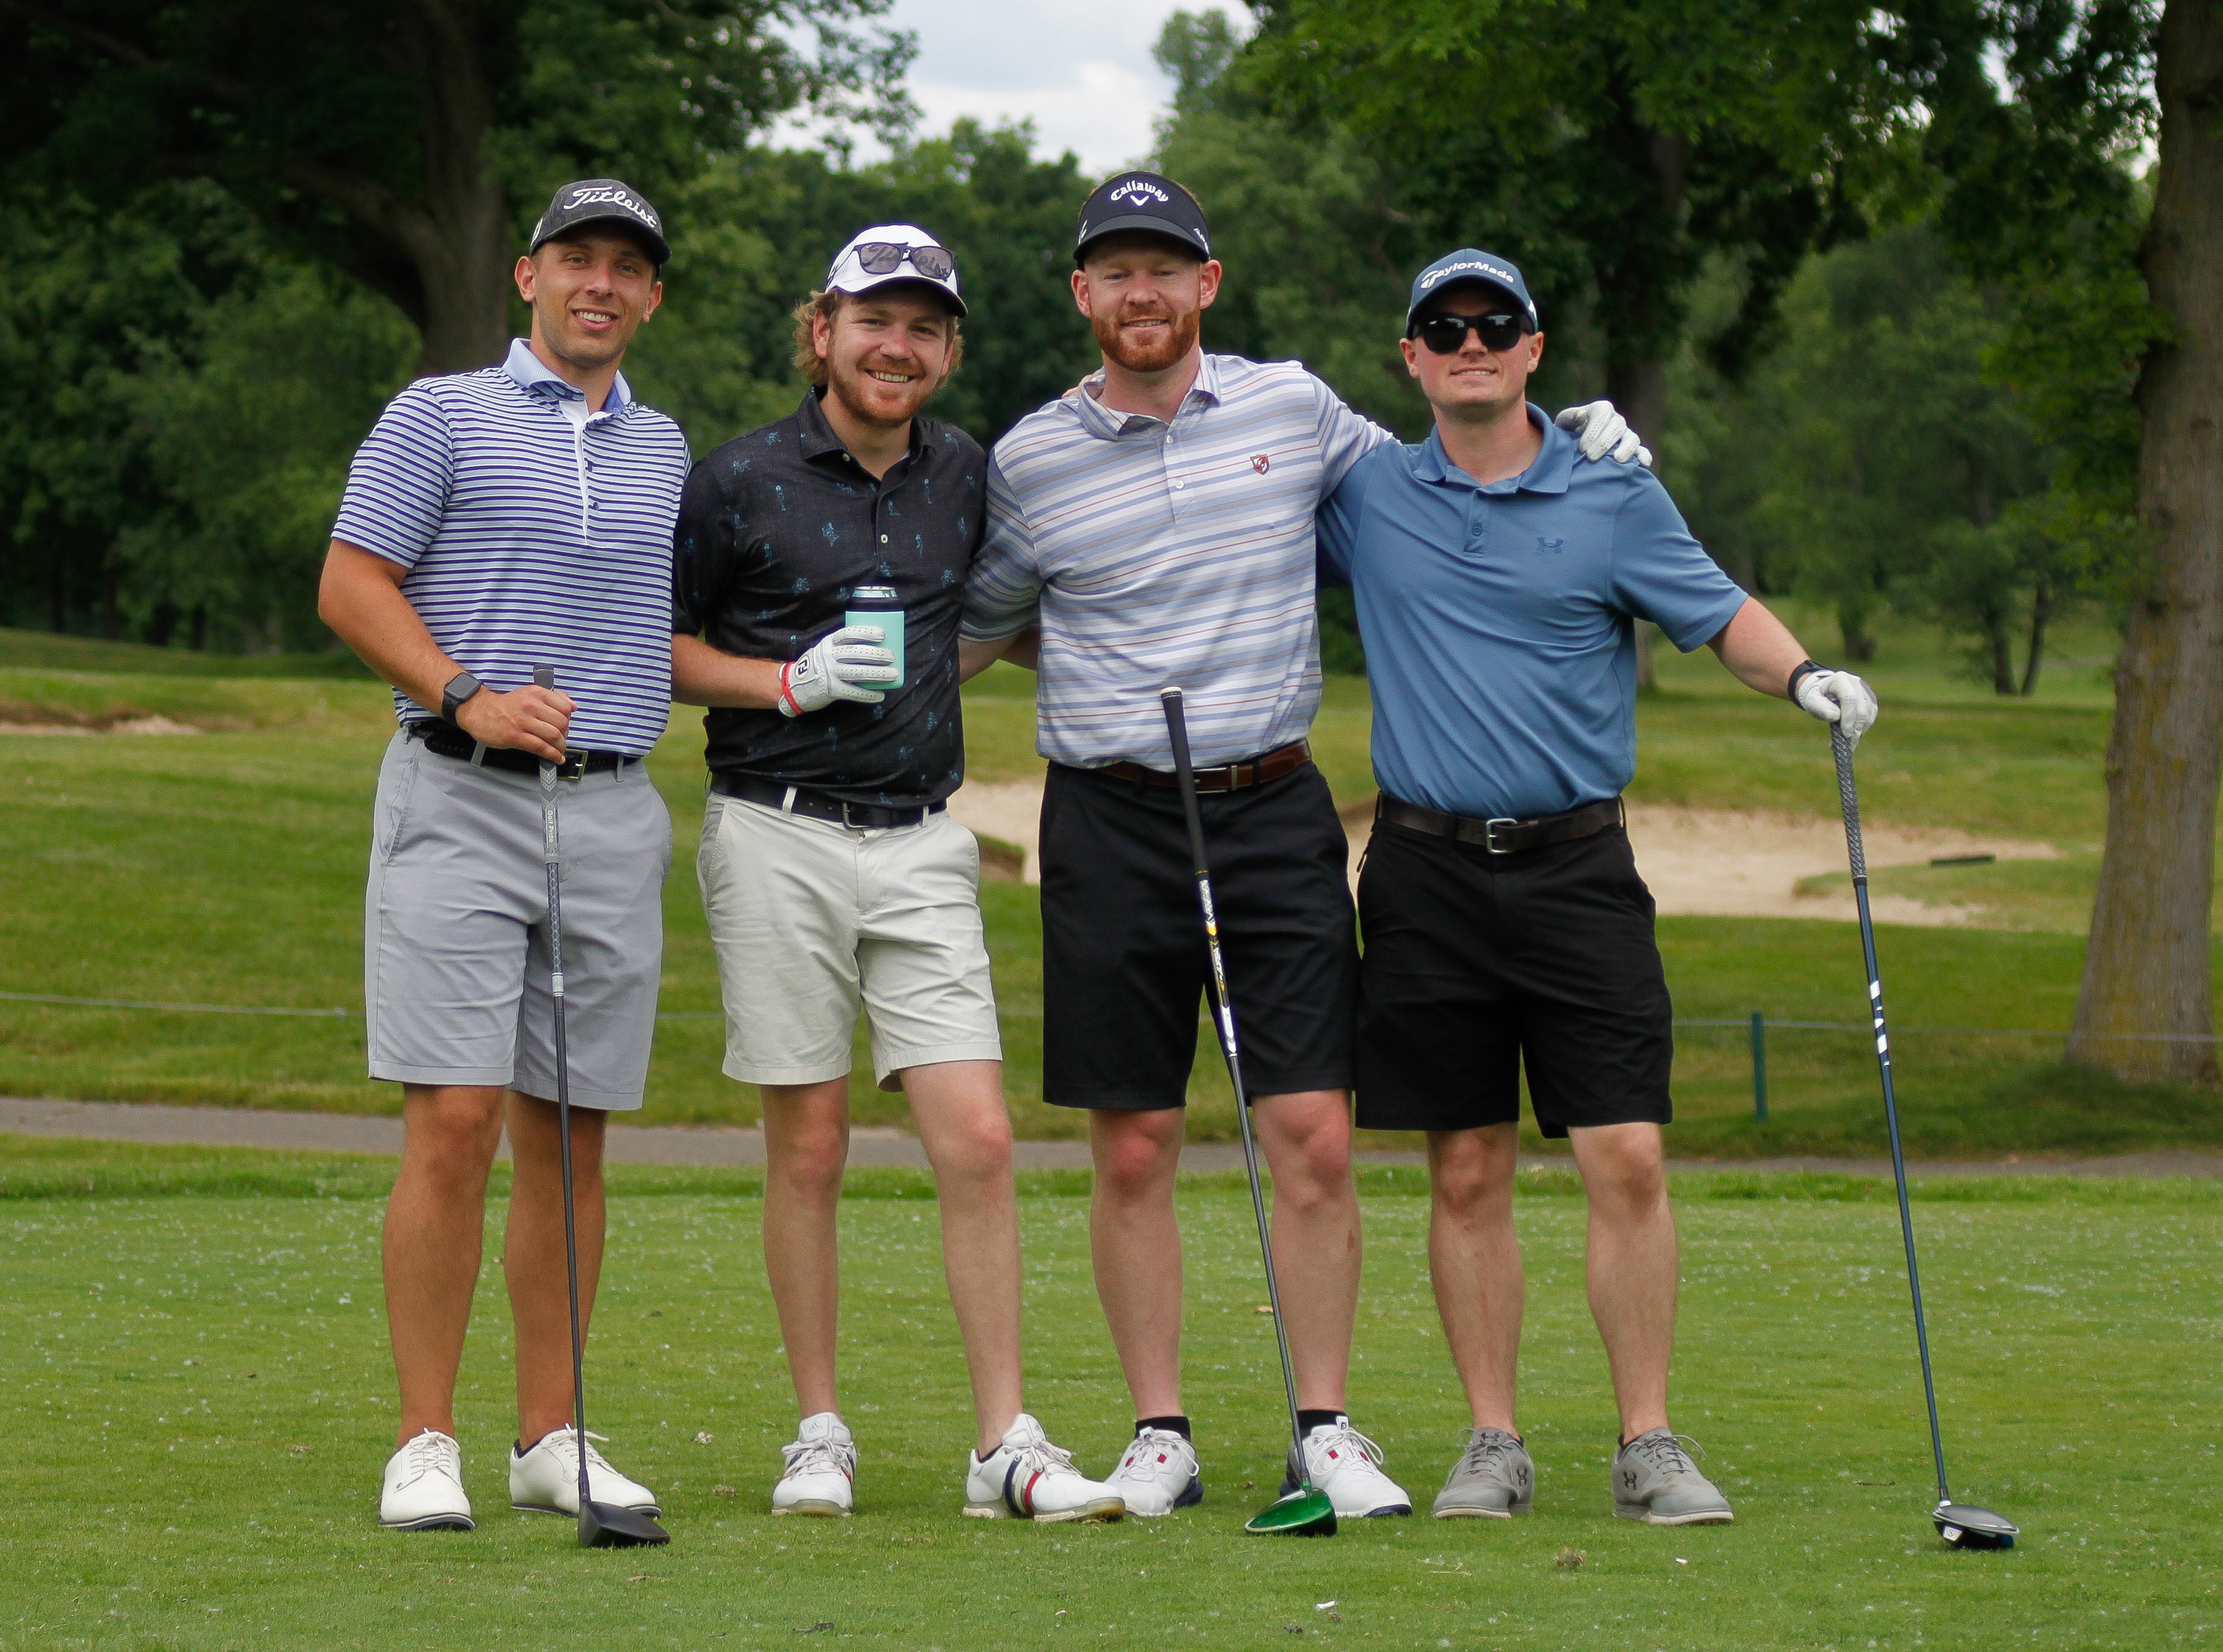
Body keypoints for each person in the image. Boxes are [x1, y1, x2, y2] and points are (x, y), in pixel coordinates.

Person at [957, 175, 1645, 1520]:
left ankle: (1322, 1425)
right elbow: (982, 618)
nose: (1140, 294)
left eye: (1166, 269)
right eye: (1115, 273)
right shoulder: (1030, 457)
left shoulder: (1295, 409)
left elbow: (1451, 476)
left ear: (1206, 285)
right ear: (1082, 296)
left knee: (1315, 1135)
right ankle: (1160, 1432)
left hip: (1270, 809)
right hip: (1106, 815)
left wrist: (1570, 440)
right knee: (1136, 1142)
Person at [1315, 248, 1879, 1525]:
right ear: (1409, 354)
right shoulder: (1363, 495)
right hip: (1421, 870)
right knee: (1464, 1167)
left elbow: (1719, 611)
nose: (1469, 342)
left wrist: (1803, 680)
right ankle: (1492, 1441)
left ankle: (1646, 1442)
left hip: (1577, 868)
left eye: (1492, 323)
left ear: (1532, 346)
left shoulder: (1614, 493)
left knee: (1623, 1153)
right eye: (1441, 326)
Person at [670, 225, 1126, 1524]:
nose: (898, 345)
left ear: (947, 350)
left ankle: (1004, 1445)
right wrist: (783, 681)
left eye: (926, 327)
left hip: (923, 835)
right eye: (877, 319)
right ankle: (819, 1432)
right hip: (774, 828)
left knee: (977, 1139)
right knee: (807, 1146)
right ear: (824, 331)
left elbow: (1016, 609)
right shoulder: (737, 478)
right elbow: (661, 649)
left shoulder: (968, 475)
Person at [317, 178, 689, 1532]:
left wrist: (795, 680)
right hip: (456, 792)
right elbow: (351, 582)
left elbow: (662, 635)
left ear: (652, 297)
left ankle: (551, 1436)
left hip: (607, 811)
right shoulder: (440, 413)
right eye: (575, 259)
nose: (600, 283)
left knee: (574, 1134)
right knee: (457, 1119)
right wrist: (463, 688)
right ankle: (427, 1439)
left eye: (626, 268)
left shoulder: (664, 451)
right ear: (526, 278)